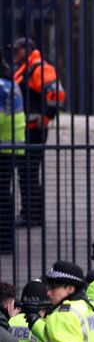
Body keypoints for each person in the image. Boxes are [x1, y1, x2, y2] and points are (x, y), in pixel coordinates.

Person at [8, 37, 63, 229]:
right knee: (26, 172)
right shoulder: (26, 68)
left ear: (27, 50)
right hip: (26, 130)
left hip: (35, 130)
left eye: (17, 50)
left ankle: (32, 215)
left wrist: (46, 117)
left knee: (29, 172)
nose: (14, 54)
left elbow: (57, 94)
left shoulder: (38, 68)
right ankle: (30, 214)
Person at [0, 68, 23, 255]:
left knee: (2, 195)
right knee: (4, 193)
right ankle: (6, 241)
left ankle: (5, 241)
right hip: (12, 144)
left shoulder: (1, 86)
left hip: (4, 146)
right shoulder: (9, 82)